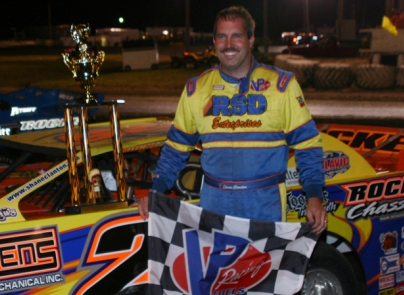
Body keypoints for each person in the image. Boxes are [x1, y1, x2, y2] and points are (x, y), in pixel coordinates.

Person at [136, 6, 327, 234]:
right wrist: (156, 192)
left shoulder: (281, 85)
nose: (228, 44)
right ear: (214, 41)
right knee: (217, 270)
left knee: (264, 270)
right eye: (222, 37)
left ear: (251, 40)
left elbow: (308, 146)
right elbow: (175, 149)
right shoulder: (196, 89)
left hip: (265, 206)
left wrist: (314, 196)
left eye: (236, 36)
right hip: (214, 206)